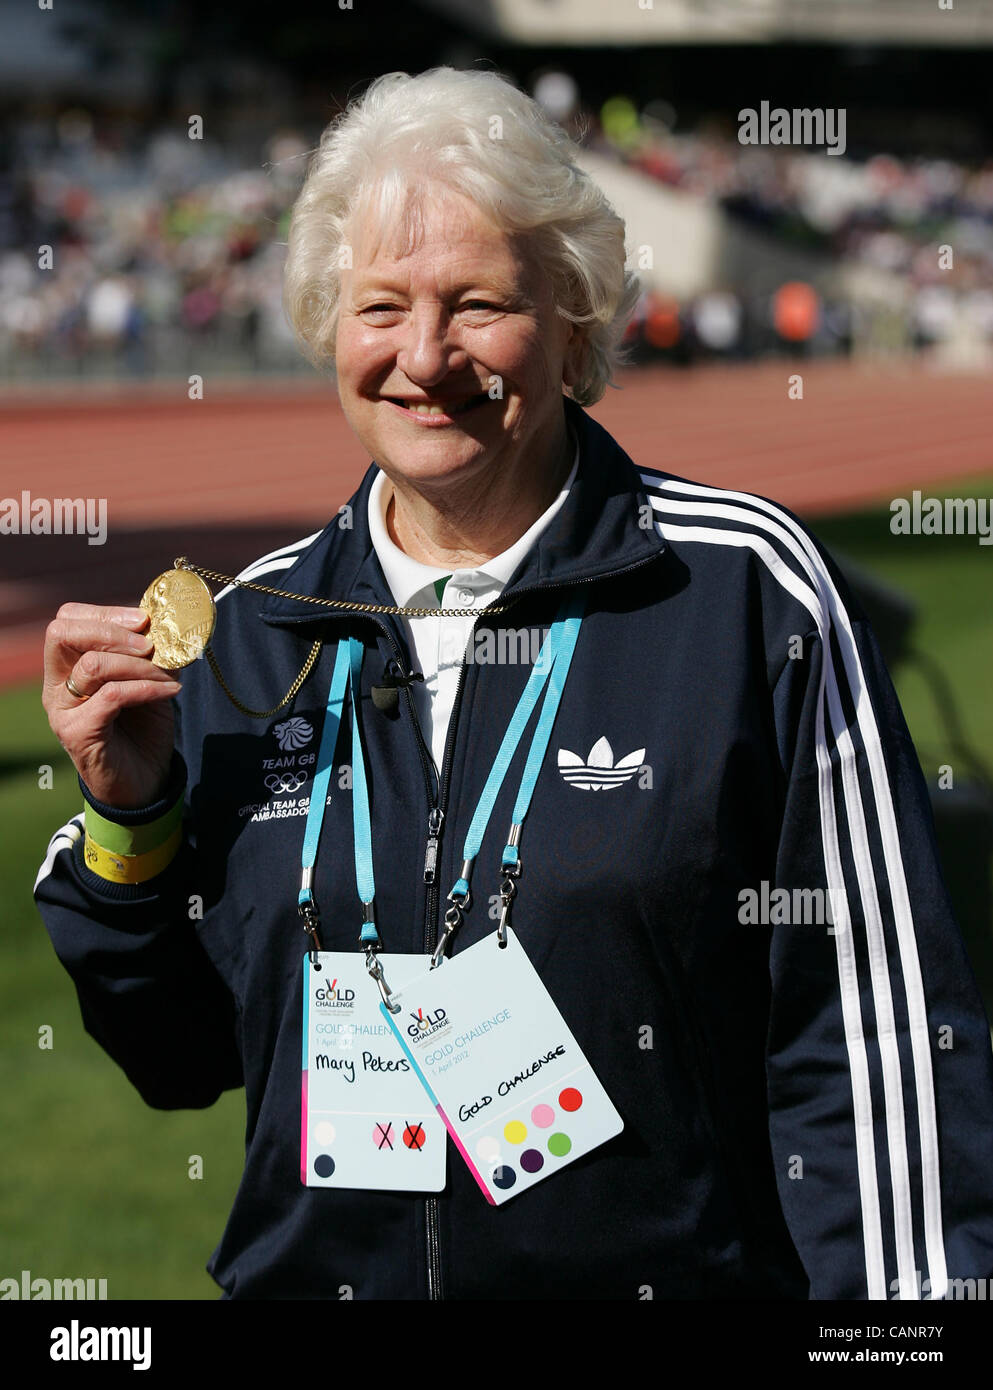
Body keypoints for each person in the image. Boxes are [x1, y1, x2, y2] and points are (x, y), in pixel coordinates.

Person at [35, 66, 993, 1301]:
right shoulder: (255, 631)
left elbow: (875, 1041)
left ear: (577, 320)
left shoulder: (743, 594)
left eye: (477, 304)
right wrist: (132, 824)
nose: (424, 357)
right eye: (380, 307)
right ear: (328, 321)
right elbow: (180, 1053)